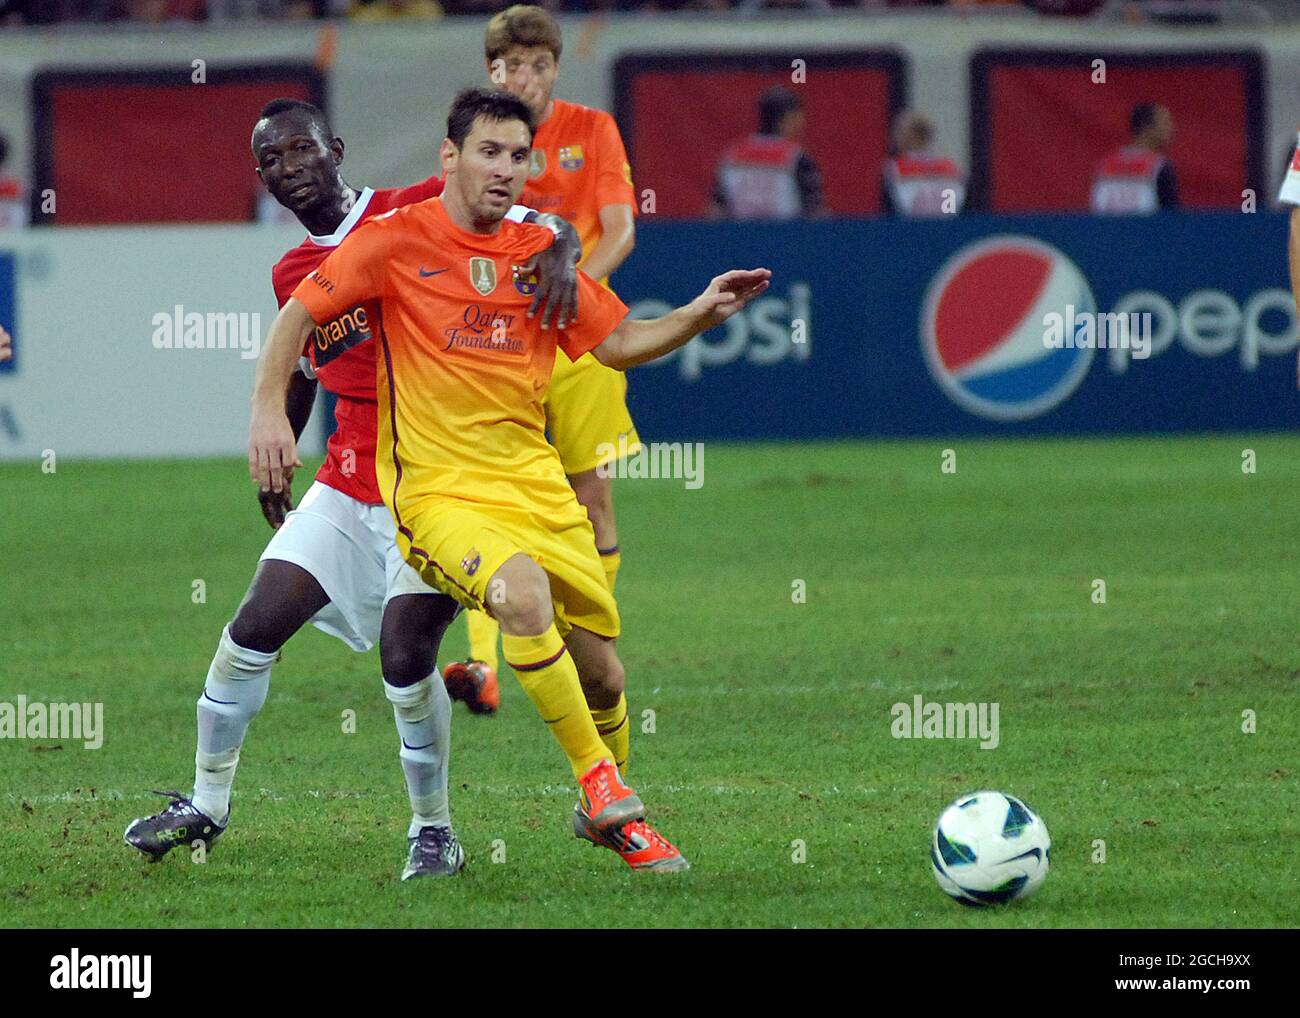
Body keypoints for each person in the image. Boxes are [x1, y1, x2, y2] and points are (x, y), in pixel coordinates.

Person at [249, 87, 771, 871]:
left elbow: (620, 342)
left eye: (518, 156)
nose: (504, 169)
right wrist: (268, 414)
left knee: (603, 672)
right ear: (449, 159)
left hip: (535, 486)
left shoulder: (536, 252)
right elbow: (297, 317)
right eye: (488, 152)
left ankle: (608, 806)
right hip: (436, 492)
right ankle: (600, 789)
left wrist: (700, 312)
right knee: (520, 597)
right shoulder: (393, 240)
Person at [124, 98, 581, 881]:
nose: (288, 168)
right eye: (271, 161)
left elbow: (549, 223)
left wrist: (565, 257)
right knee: (250, 630)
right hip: (344, 482)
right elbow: (304, 364)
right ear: (262, 180)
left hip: (432, 487)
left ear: (335, 150)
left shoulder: (411, 209)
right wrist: (283, 449)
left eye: (300, 149)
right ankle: (206, 803)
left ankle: (434, 831)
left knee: (406, 660)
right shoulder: (292, 271)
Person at [447, 5, 642, 752]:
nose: (522, 78)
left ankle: (584, 642)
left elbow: (620, 228)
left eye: (535, 66)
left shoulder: (591, 131)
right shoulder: (481, 141)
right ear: (491, 70)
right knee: (488, 487)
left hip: (576, 342)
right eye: (507, 67)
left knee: (588, 493)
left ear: (555, 69)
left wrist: (571, 298)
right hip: (497, 343)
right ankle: (481, 663)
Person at [711, 85, 824, 220]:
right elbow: (816, 211)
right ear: (786, 118)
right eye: (799, 116)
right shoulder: (797, 157)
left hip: (739, 238)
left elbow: (716, 211)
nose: (803, 122)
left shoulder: (731, 156)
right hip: (788, 238)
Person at [1090, 102, 1179, 215]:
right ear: (1147, 127)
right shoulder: (1159, 166)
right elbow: (1171, 218)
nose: (1172, 129)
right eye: (1165, 122)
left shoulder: (1105, 165)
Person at [880, 110, 965, 218]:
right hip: (950, 227)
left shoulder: (894, 168)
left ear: (910, 136)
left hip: (910, 229)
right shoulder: (951, 167)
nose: (894, 137)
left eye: (899, 132)